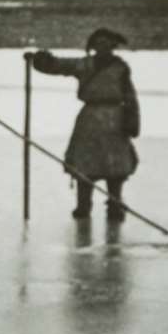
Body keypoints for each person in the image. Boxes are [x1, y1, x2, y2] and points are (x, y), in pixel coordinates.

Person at [31, 28, 140, 221]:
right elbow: (59, 66)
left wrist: (132, 122)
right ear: (93, 46)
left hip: (115, 120)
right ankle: (83, 206)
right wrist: (41, 60)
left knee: (114, 167)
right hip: (89, 119)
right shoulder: (84, 64)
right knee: (84, 164)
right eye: (98, 43)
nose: (102, 47)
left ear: (113, 46)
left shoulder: (121, 68)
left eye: (106, 43)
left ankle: (114, 205)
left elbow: (130, 96)